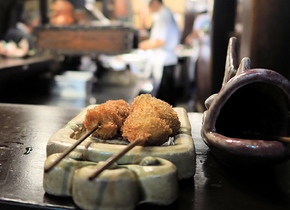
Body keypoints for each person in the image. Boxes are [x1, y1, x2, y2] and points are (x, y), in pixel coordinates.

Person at [138, 0, 180, 106]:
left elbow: (160, 41)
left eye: (149, 5)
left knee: (165, 100)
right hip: (166, 60)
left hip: (165, 60)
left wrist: (144, 45)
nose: (148, 8)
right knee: (167, 98)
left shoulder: (163, 16)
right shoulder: (164, 14)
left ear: (155, 2)